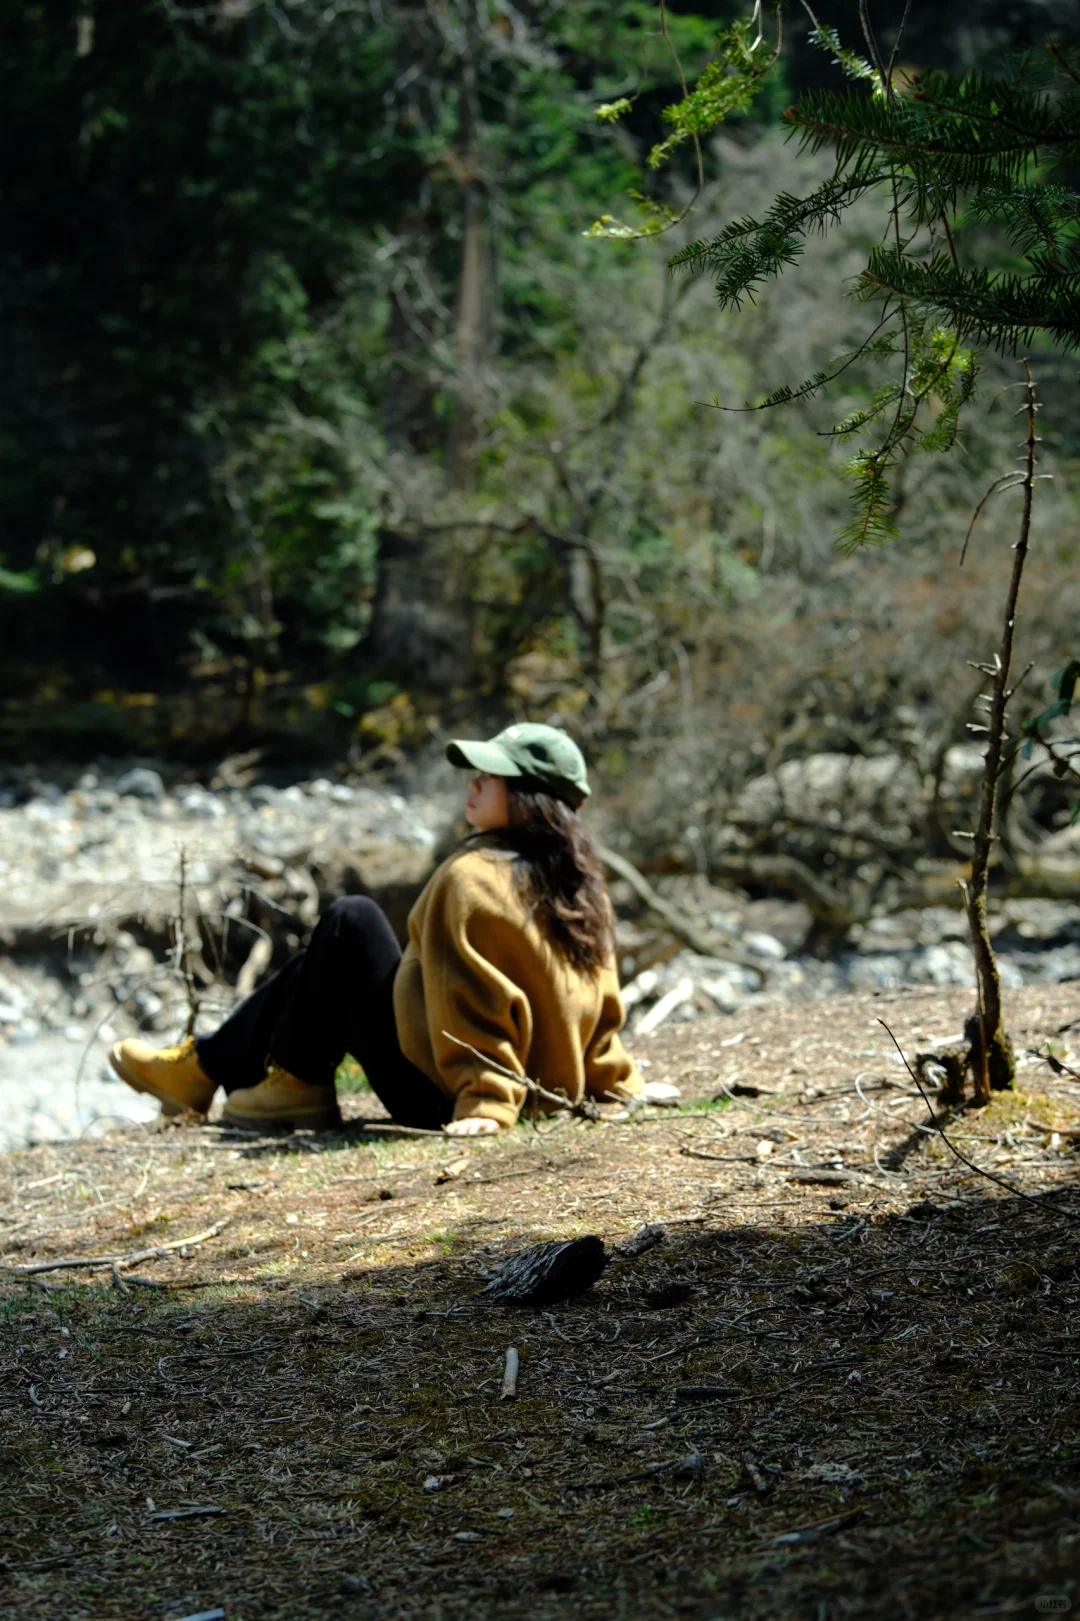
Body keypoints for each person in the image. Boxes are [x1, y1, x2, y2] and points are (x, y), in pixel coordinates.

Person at [108, 723, 652, 1136]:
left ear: (531, 796)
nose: (474, 783)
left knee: (351, 919)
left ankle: (282, 1078)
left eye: (492, 776)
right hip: (525, 1087)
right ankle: (221, 1070)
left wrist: (486, 1101)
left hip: (440, 1093)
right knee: (324, 957)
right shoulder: (582, 884)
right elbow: (598, 1009)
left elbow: (476, 997)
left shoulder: (473, 877)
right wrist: (615, 1083)